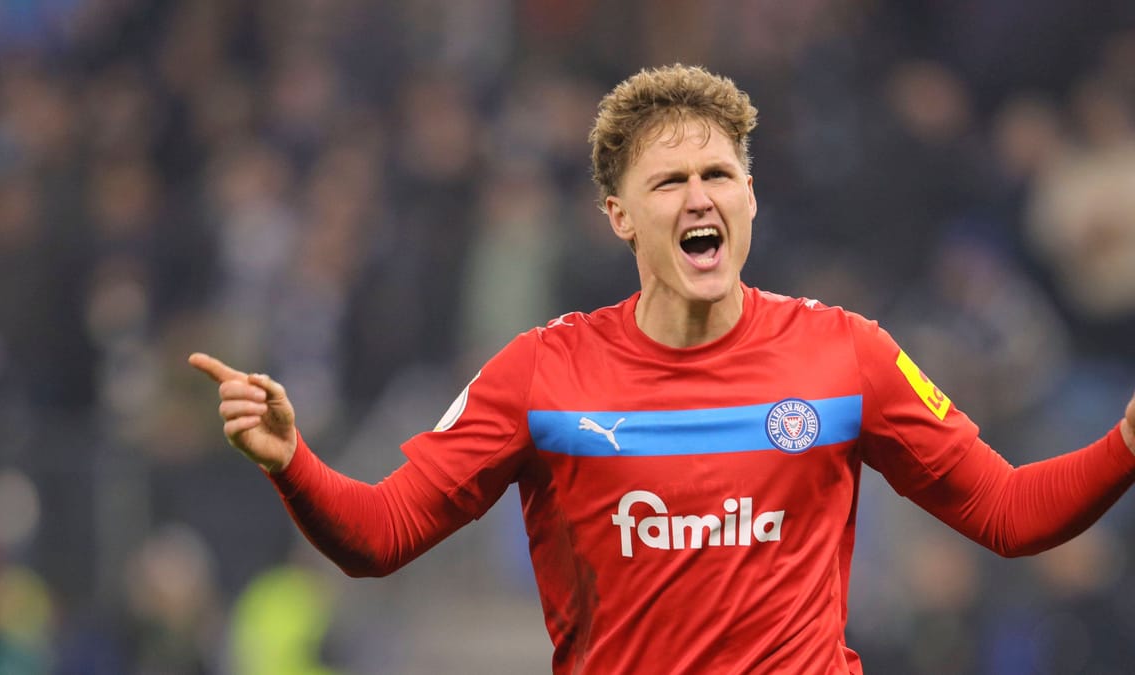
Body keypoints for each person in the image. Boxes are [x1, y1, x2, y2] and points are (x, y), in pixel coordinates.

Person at [190, 64, 1135, 674]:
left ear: (750, 197)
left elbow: (1009, 512)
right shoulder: (540, 373)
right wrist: (292, 461)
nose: (699, 197)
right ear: (619, 216)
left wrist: (1126, 442)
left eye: (719, 175)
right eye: (669, 182)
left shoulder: (847, 351)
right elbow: (380, 534)